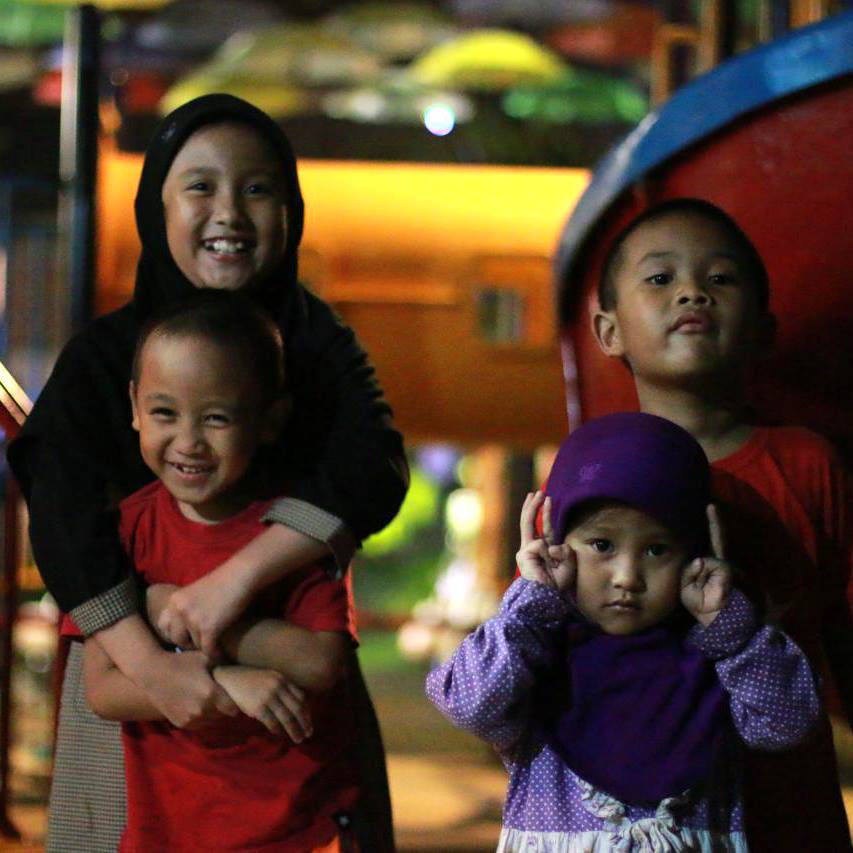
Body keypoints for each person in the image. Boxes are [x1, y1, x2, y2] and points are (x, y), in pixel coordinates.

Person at [7, 94, 405, 852]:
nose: (230, 212)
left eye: (258, 189)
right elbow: (62, 517)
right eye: (200, 186)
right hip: (127, 688)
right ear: (155, 205)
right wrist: (155, 669)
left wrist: (233, 582)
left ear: (291, 211)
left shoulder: (318, 347)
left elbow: (373, 468)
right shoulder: (103, 358)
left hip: (290, 713)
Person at [427, 412, 820, 852]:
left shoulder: (720, 656)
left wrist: (731, 629)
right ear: (556, 541)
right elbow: (472, 706)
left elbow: (786, 725)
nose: (627, 577)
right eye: (602, 545)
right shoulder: (535, 653)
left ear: (696, 551)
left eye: (657, 549)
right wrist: (531, 606)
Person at [590, 197, 853, 851]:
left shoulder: (807, 464)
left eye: (720, 278)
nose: (692, 293)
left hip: (785, 815)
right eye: (660, 278)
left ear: (763, 328)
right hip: (637, 823)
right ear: (608, 331)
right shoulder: (586, 476)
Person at [78, 292, 360, 851]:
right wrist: (229, 683)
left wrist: (178, 611)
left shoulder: (292, 531)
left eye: (216, 418)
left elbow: (321, 662)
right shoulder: (126, 531)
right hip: (165, 830)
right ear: (134, 406)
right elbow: (104, 689)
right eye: (165, 413)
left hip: (292, 827)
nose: (188, 442)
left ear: (269, 419)